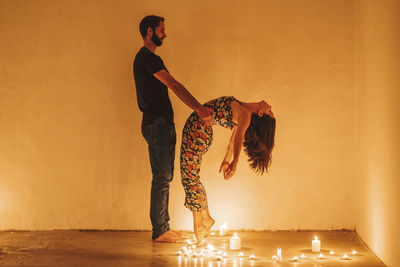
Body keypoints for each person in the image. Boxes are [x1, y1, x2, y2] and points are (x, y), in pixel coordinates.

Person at [133, 15, 213, 243]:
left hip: (160, 123)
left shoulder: (148, 59)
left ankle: (163, 227)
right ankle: (160, 230)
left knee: (164, 176)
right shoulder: (147, 58)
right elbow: (175, 86)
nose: (165, 34)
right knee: (162, 176)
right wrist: (199, 108)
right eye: (161, 30)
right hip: (157, 123)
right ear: (150, 31)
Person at [180, 96, 276, 243]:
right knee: (191, 176)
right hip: (199, 131)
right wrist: (226, 160)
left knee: (189, 177)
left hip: (198, 132)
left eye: (270, 111)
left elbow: (238, 139)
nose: (270, 106)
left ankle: (199, 223)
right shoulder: (243, 110)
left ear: (261, 113)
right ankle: (205, 217)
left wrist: (234, 163)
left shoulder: (246, 115)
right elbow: (233, 141)